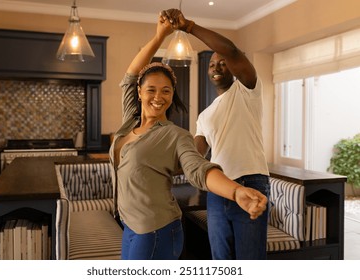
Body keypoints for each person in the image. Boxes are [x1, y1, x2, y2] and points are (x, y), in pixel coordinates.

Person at [108, 12, 268, 260]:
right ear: (139, 93)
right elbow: (131, 76)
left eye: (166, 91)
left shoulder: (245, 92)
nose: (158, 97)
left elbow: (196, 166)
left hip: (240, 185)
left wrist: (236, 191)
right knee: (221, 261)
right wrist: (160, 35)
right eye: (151, 89)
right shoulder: (134, 120)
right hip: (133, 223)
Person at [161, 9, 271, 260]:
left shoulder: (247, 90)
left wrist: (188, 26)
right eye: (211, 64)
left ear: (234, 67)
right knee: (221, 261)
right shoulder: (205, 114)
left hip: (251, 183)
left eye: (222, 62)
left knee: (250, 261)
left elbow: (232, 51)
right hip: (218, 189)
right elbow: (195, 154)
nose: (216, 67)